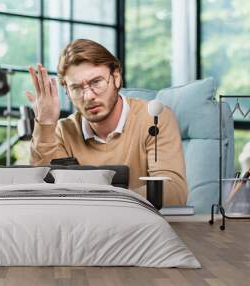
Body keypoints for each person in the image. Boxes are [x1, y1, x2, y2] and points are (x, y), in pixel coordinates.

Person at [25, 39, 188, 206]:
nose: (88, 96)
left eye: (96, 82)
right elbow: (42, 194)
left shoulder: (155, 119)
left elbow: (173, 192)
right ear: (67, 91)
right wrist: (45, 124)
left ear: (116, 77)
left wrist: (102, 202)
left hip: (138, 227)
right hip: (82, 229)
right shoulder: (63, 131)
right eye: (76, 88)